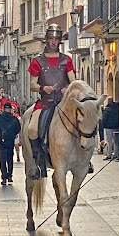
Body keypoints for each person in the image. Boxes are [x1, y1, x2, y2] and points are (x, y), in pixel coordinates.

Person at [27, 24, 76, 179]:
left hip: (64, 102)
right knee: (32, 128)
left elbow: (73, 82)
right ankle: (39, 162)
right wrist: (43, 88)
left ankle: (84, 159)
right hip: (46, 102)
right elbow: (32, 85)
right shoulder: (37, 61)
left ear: (59, 41)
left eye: (56, 39)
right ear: (46, 40)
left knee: (83, 121)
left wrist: (67, 89)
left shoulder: (66, 60)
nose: (53, 42)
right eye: (51, 39)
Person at [0, 102, 21, 185]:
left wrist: (0, 131)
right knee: (10, 158)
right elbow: (18, 129)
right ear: (10, 109)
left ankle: (4, 177)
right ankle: (10, 176)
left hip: (1, 139)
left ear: (3, 109)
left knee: (2, 158)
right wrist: (12, 134)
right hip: (10, 140)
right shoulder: (14, 119)